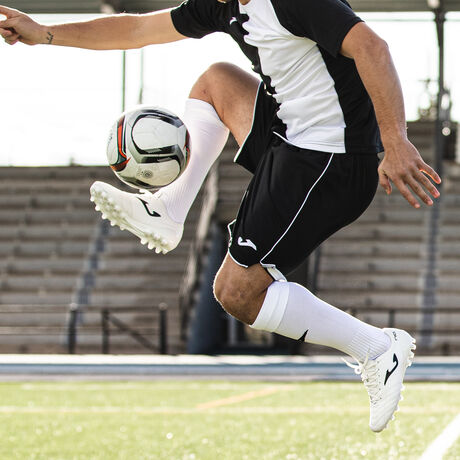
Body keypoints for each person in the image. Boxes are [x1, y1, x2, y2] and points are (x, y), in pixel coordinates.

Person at [0, 0, 440, 432]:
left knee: (237, 292)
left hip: (331, 160)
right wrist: (46, 34)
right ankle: (169, 208)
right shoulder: (222, 4)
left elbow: (373, 47)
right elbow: (136, 30)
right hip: (289, 135)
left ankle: (378, 349)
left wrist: (396, 142)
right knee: (217, 81)